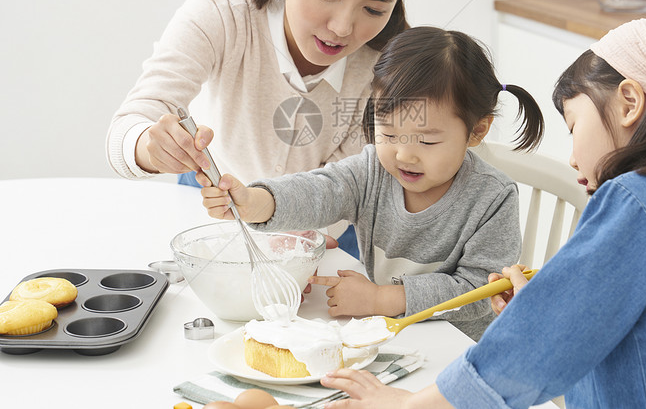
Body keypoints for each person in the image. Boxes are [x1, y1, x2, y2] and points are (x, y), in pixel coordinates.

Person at [319, 18, 646, 408]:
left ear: (629, 103)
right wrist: (545, 304)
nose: (573, 157)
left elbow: (541, 343)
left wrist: (413, 403)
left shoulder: (636, 200)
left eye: (574, 125)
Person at [105, 0, 421, 253]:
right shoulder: (225, 8)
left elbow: (340, 190)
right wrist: (147, 146)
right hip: (210, 199)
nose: (342, 28)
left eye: (374, 9)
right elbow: (127, 128)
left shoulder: (386, 69)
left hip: (325, 220)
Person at [199, 26, 545, 340]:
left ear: (477, 131)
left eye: (426, 142)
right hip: (384, 336)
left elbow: (478, 294)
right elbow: (319, 191)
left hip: (458, 350)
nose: (405, 155)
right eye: (390, 134)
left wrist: (382, 298)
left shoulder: (492, 198)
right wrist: (257, 201)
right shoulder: (372, 172)